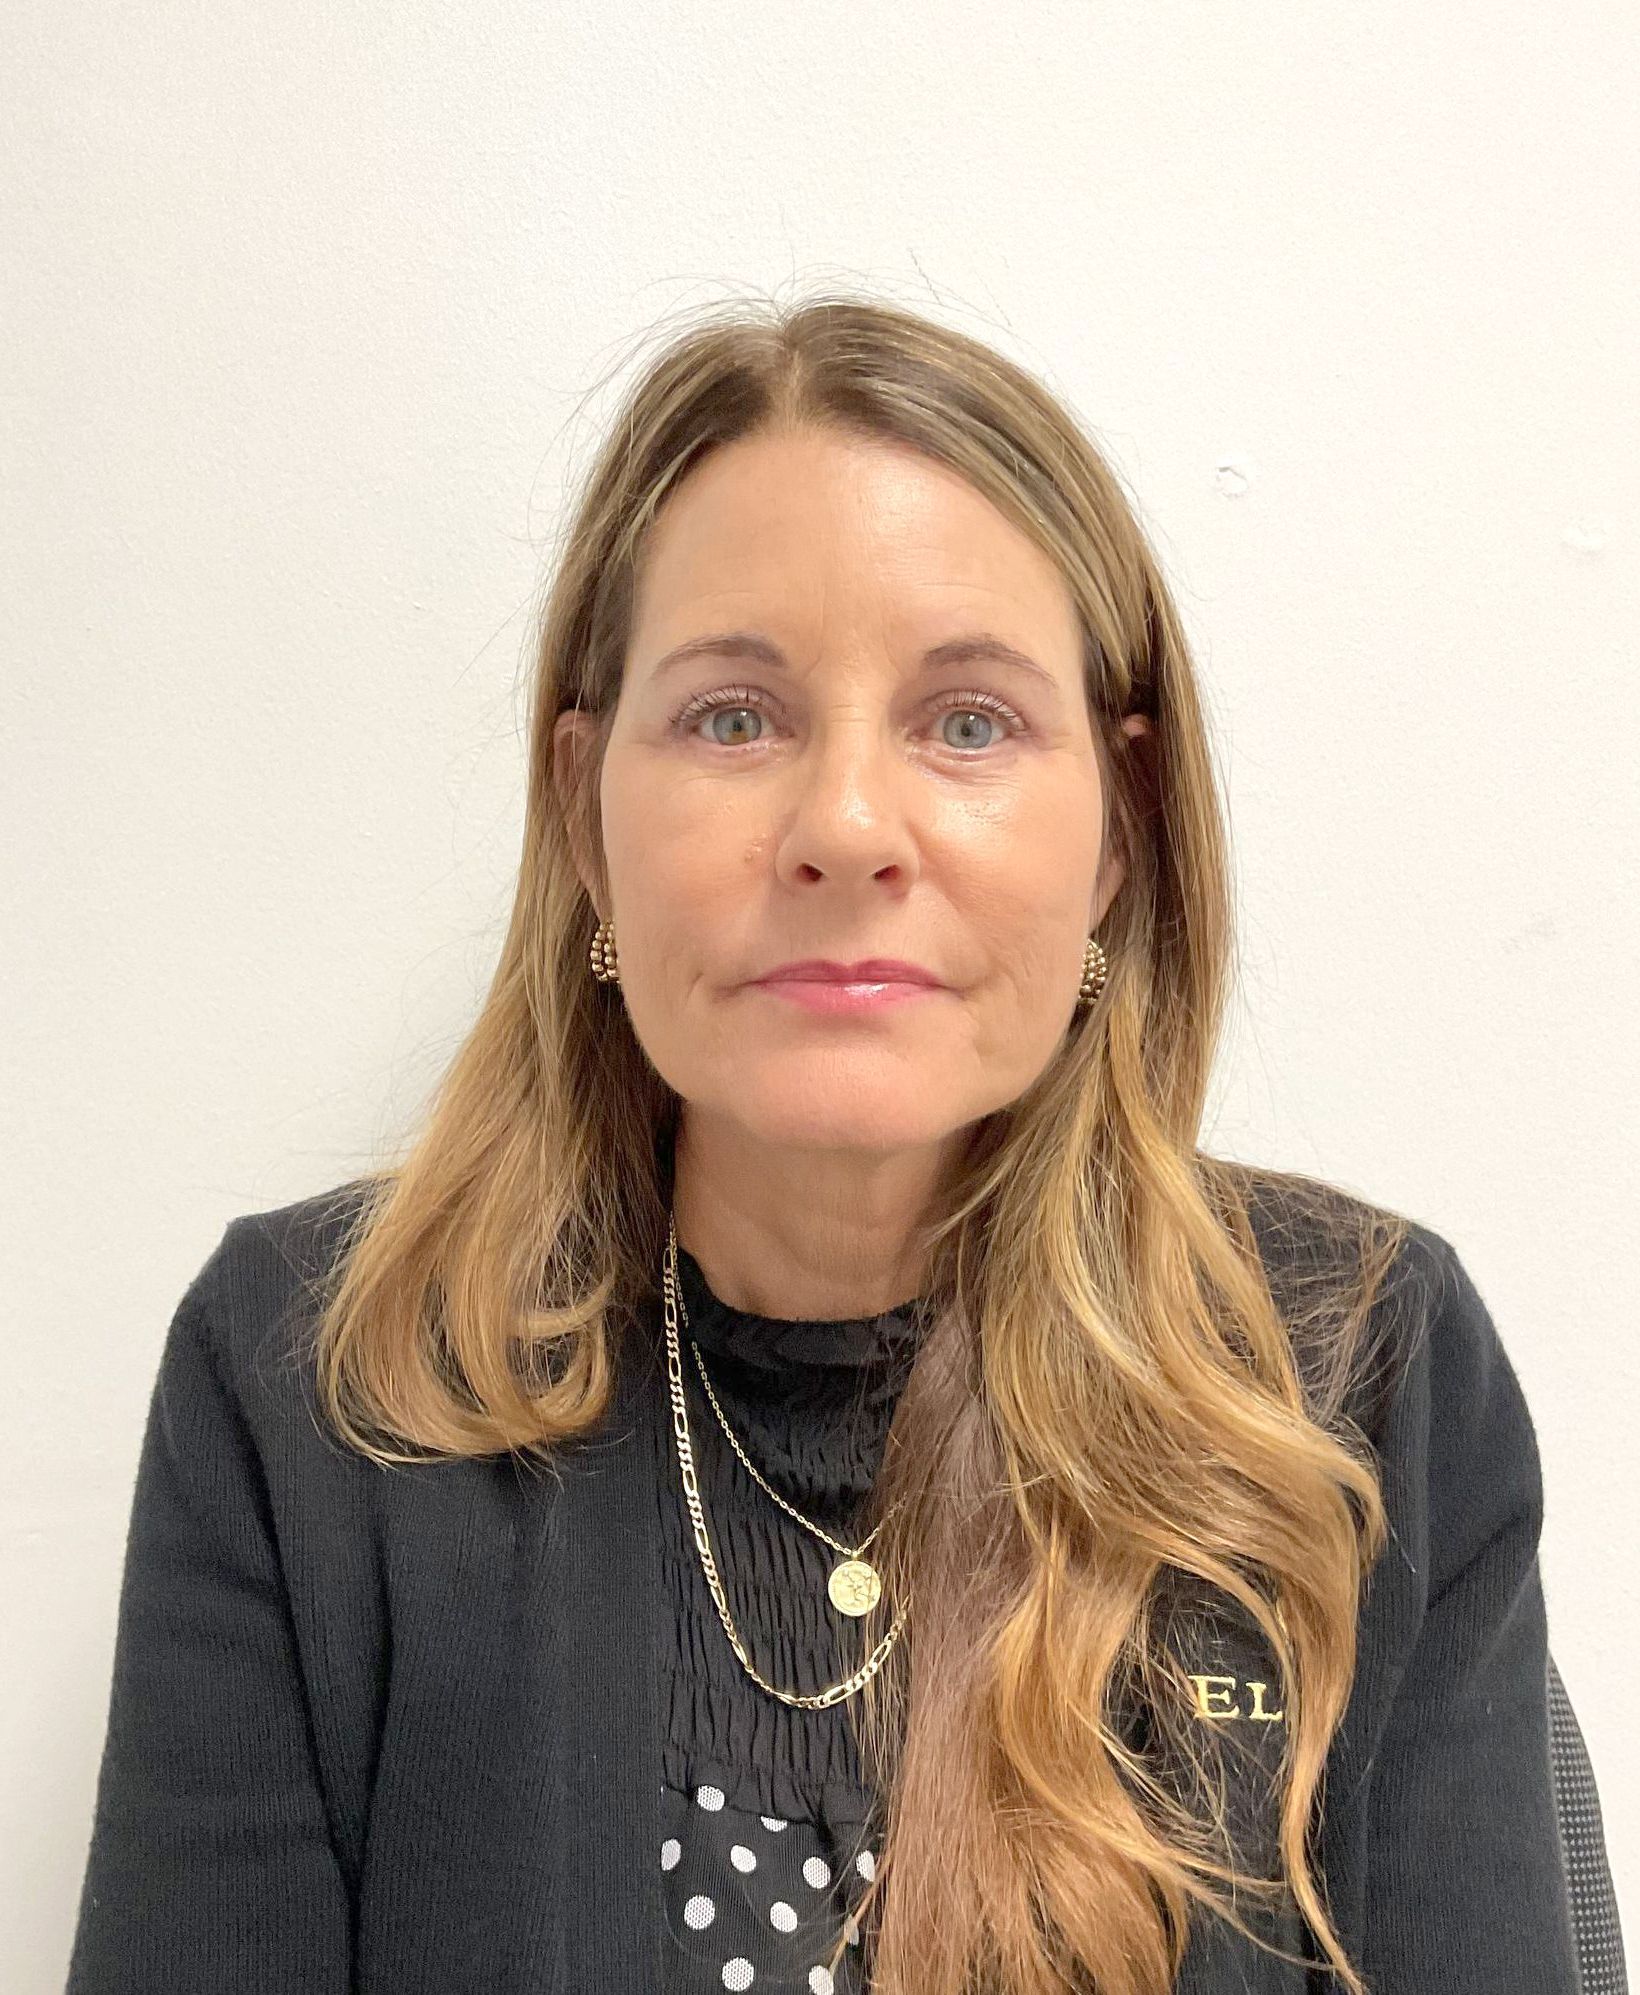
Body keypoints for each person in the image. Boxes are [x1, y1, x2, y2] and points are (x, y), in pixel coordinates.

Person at [65, 296, 1580, 1995]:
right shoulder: (310, 1384)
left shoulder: (1360, 1377)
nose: (848, 827)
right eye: (733, 717)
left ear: (1118, 835)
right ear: (582, 811)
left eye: (970, 722)